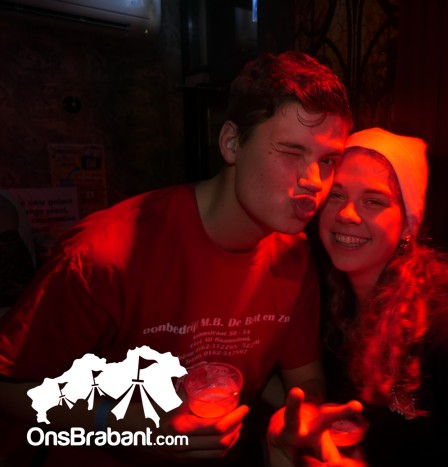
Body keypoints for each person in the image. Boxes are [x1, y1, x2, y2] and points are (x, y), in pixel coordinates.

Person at [0, 51, 353, 466]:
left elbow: (304, 378)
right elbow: (7, 388)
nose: (314, 181)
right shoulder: (102, 256)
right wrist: (123, 425)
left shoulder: (293, 257)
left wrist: (300, 417)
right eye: (292, 152)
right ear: (232, 143)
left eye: (327, 160)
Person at [268, 127, 448, 466]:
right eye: (336, 195)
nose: (346, 214)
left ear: (408, 224)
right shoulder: (333, 302)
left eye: (373, 201)